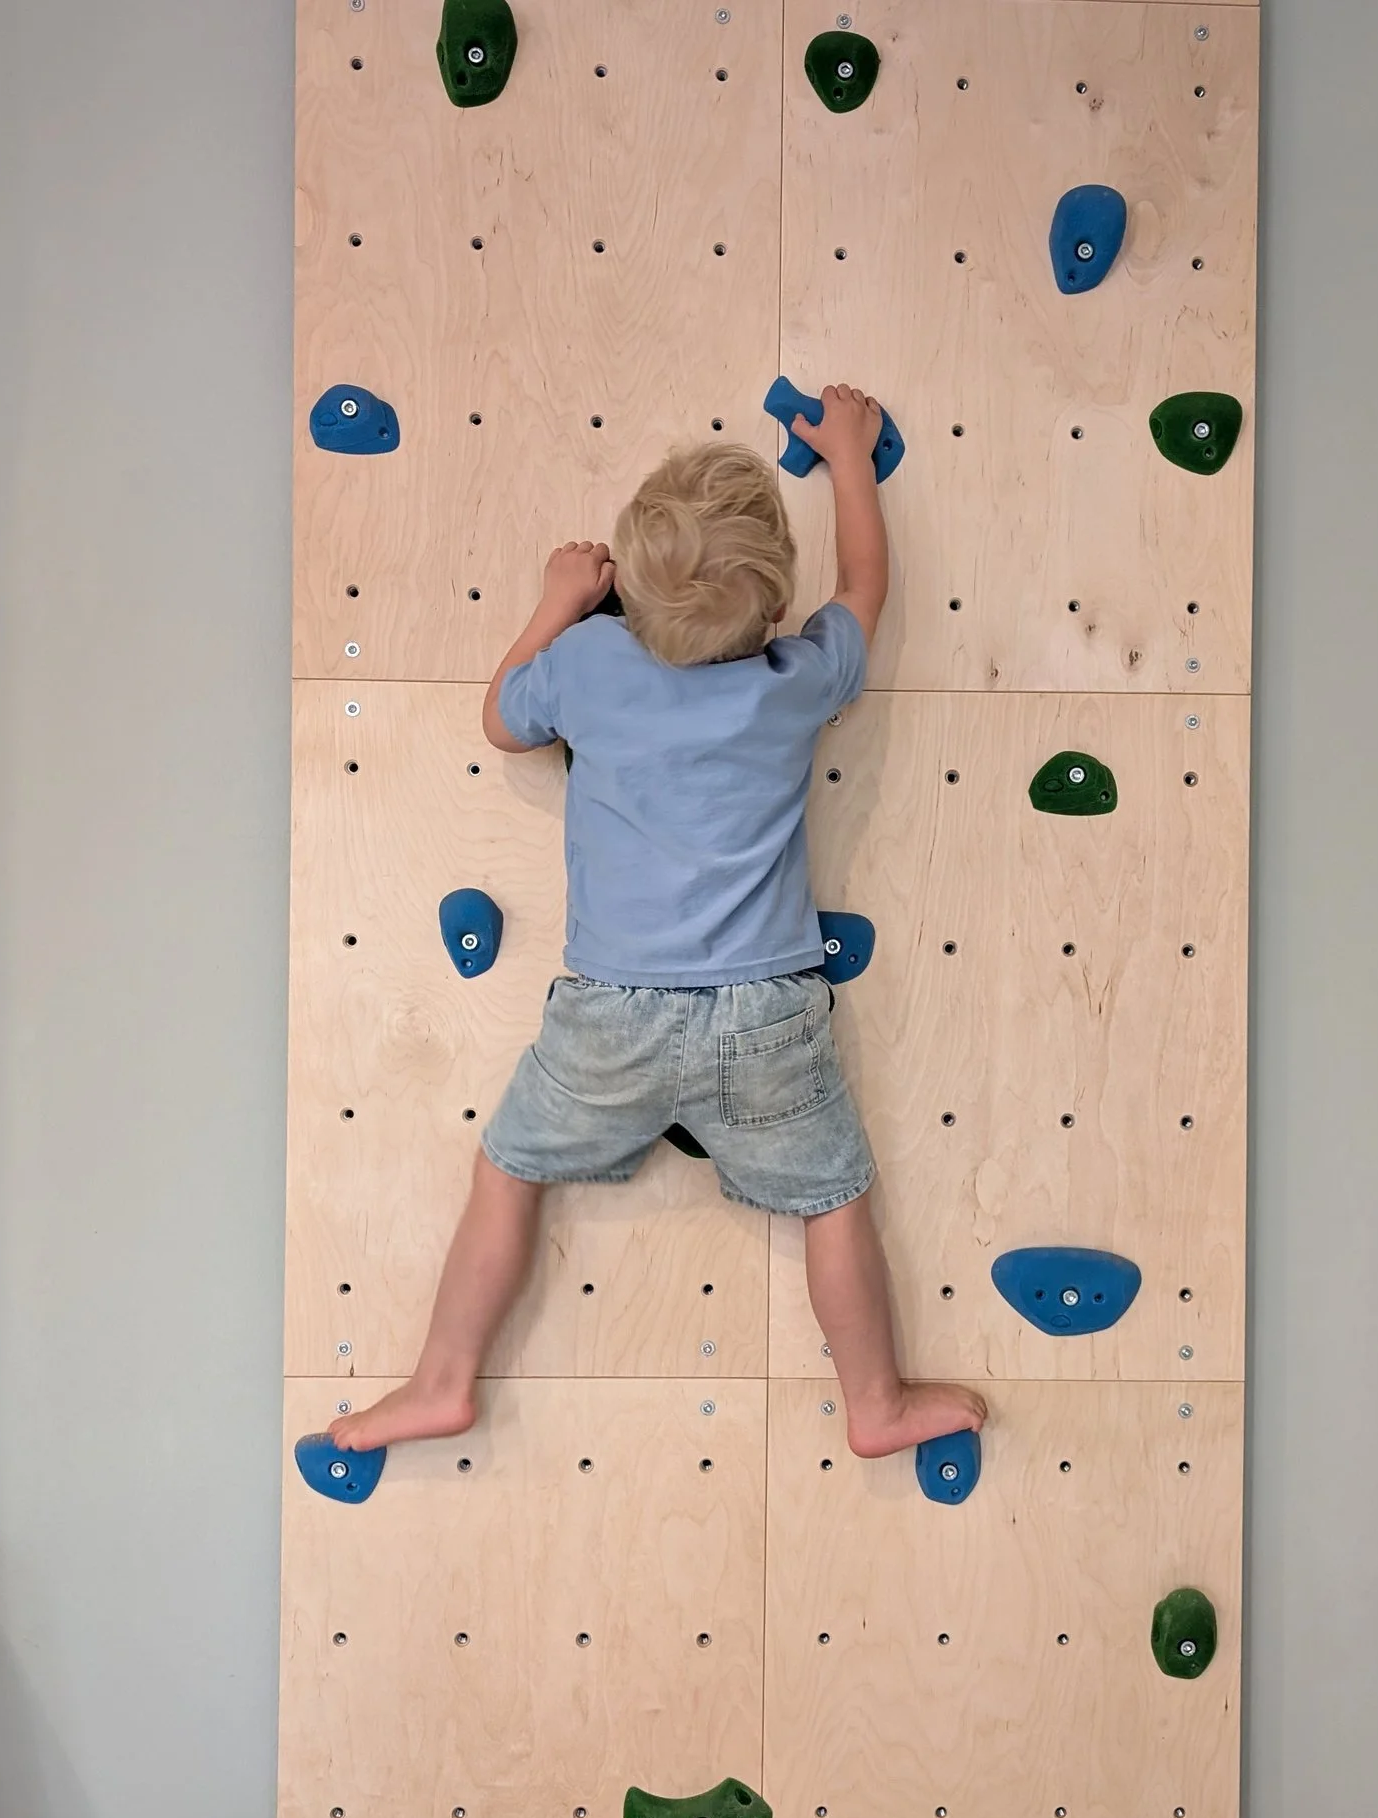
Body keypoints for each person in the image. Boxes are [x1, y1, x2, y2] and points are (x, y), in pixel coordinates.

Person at [330, 386, 987, 1463]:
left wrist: (555, 601)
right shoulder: (795, 678)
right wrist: (850, 460)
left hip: (610, 1016)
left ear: (628, 586)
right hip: (765, 1018)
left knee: (506, 1172)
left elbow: (500, 719)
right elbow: (863, 586)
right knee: (834, 1200)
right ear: (769, 609)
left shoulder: (587, 665)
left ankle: (442, 1381)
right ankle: (874, 1402)